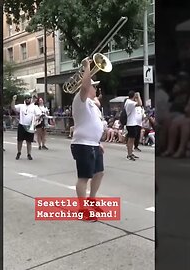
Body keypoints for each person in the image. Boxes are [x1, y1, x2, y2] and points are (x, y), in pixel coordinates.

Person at [71, 57, 105, 222]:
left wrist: (99, 142)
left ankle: (92, 200)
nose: (95, 88)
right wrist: (87, 66)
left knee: (99, 173)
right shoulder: (80, 100)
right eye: (93, 85)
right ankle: (82, 209)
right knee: (84, 177)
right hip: (82, 144)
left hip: (93, 144)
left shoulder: (93, 104)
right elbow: (84, 86)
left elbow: (95, 125)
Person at [11, 93, 41, 160]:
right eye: (26, 98)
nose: (27, 99)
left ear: (30, 99)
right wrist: (13, 100)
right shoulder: (21, 106)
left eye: (28, 98)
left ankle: (29, 154)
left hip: (30, 126)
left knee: (29, 141)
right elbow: (13, 108)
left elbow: (39, 114)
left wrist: (35, 119)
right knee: (20, 141)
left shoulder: (34, 107)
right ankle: (19, 152)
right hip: (22, 125)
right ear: (24, 99)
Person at [124, 91, 143, 161]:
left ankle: (131, 153)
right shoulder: (129, 102)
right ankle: (129, 154)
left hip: (132, 123)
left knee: (132, 139)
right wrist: (138, 96)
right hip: (131, 124)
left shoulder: (129, 102)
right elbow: (140, 104)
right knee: (131, 140)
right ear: (134, 96)